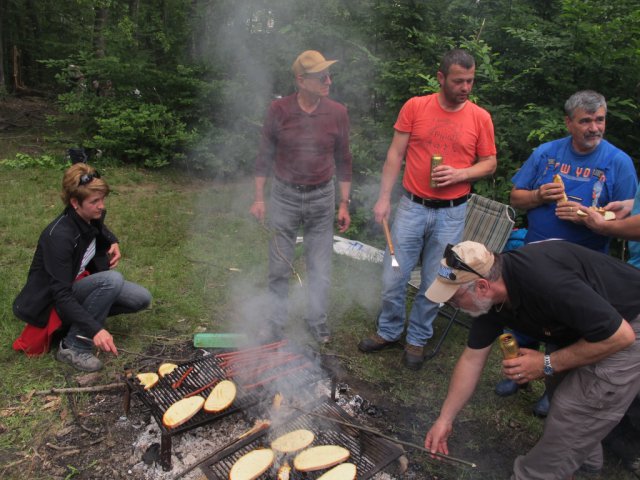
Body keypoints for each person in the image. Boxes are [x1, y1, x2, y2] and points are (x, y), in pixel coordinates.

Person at [423, 240, 640, 479]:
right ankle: (583, 465)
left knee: (575, 408)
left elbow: (620, 336)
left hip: (628, 323)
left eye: (454, 299)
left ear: (482, 287)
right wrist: (445, 419)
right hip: (585, 324)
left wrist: (546, 363)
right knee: (560, 389)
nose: (452, 305)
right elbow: (472, 359)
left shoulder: (546, 282)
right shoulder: (490, 298)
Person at [498, 90, 637, 411]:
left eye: (599, 120)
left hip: (583, 269)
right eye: (585, 121)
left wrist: (590, 218)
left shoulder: (618, 162)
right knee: (522, 319)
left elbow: (627, 216)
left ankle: (554, 389)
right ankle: (517, 374)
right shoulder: (547, 154)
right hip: (532, 261)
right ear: (568, 123)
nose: (594, 128)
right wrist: (539, 196)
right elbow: (516, 198)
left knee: (567, 328)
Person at [357, 49, 497, 370]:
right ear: (441, 78)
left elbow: (490, 163)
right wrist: (382, 198)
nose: (466, 87)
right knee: (393, 273)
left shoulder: (480, 117)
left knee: (439, 278)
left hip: (452, 212)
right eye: (459, 81)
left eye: (470, 81)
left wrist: (461, 173)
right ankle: (389, 331)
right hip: (411, 207)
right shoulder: (416, 107)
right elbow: (395, 154)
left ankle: (418, 338)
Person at [249, 50, 352, 344]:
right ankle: (274, 322)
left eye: (329, 75)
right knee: (279, 265)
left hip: (322, 197)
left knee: (320, 267)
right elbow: (264, 157)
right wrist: (259, 198)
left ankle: (317, 320)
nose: (328, 81)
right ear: (301, 80)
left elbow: (344, 160)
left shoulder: (337, 112)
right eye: (321, 77)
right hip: (284, 196)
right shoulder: (279, 110)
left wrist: (343, 203)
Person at [12, 163, 152, 372]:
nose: (101, 206)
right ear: (75, 203)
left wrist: (113, 241)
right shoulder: (59, 236)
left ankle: (77, 322)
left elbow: (99, 228)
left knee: (141, 298)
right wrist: (95, 330)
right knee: (110, 280)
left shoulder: (87, 217)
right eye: (95, 201)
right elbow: (60, 293)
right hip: (52, 301)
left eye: (102, 199)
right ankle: (73, 346)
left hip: (77, 286)